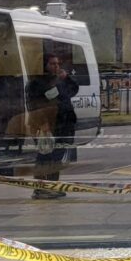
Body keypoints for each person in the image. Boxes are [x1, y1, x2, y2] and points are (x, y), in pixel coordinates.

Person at [26, 53, 79, 199]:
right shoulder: (36, 83)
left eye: (57, 64)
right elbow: (34, 105)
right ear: (44, 66)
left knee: (57, 157)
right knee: (45, 156)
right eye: (52, 64)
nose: (56, 66)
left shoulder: (59, 80)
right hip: (47, 126)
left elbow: (73, 90)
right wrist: (43, 123)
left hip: (64, 123)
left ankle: (53, 186)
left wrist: (66, 78)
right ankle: (41, 188)